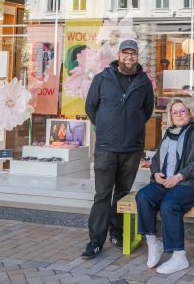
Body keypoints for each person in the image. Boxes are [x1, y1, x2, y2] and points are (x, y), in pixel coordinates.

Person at [82, 39, 155, 259]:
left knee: (122, 195)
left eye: (133, 54)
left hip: (131, 148)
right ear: (119, 55)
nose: (129, 57)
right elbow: (90, 107)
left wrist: (130, 127)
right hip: (106, 147)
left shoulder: (144, 82)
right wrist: (106, 127)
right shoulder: (102, 78)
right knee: (102, 195)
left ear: (137, 57)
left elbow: (147, 112)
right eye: (126, 53)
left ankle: (117, 233)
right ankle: (95, 241)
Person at [136, 99, 194, 274]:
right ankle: (154, 244)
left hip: (191, 184)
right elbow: (155, 159)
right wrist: (155, 173)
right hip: (166, 183)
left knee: (169, 205)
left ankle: (179, 257)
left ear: (190, 113)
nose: (178, 115)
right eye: (174, 112)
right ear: (170, 116)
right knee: (143, 196)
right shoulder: (167, 134)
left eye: (182, 111)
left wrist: (179, 176)